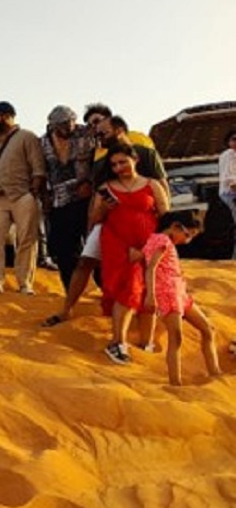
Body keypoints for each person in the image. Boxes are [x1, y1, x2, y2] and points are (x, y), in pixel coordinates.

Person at [43, 106, 169, 327]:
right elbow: (97, 196)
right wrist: (93, 223)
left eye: (103, 132)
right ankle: (67, 309)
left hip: (144, 223)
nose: (98, 136)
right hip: (110, 223)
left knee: (149, 268)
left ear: (118, 129)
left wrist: (164, 230)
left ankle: (153, 313)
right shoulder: (101, 161)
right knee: (85, 262)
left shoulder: (145, 152)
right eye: (96, 132)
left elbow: (162, 189)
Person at [92, 141, 169, 364]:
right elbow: (95, 218)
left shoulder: (152, 184)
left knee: (149, 291)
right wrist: (104, 207)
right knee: (130, 288)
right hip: (118, 245)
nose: (119, 168)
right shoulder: (106, 187)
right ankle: (118, 342)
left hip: (148, 245)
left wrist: (150, 247)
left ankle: (146, 343)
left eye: (123, 162)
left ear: (135, 160)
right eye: (114, 164)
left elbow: (166, 216)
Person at [142, 211, 222, 385]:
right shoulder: (162, 240)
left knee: (208, 329)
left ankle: (215, 372)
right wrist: (150, 295)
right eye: (188, 235)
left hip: (180, 293)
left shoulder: (162, 241)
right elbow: (151, 268)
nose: (188, 241)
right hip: (168, 294)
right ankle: (175, 382)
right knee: (176, 337)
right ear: (176, 226)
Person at [0, 101, 46, 295]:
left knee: (27, 239)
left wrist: (33, 193)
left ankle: (25, 283)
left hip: (23, 194)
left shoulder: (27, 137)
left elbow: (38, 168)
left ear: (8, 116)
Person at [40, 106, 95, 290]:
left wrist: (90, 183)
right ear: (53, 126)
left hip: (86, 198)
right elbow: (42, 171)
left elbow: (98, 160)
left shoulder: (87, 134)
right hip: (59, 201)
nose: (68, 127)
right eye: (63, 125)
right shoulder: (43, 142)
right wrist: (45, 197)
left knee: (95, 245)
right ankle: (71, 291)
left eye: (71, 122)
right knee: (64, 251)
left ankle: (103, 288)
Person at [217, 128, 236, 259]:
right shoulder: (227, 156)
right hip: (230, 194)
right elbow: (229, 180)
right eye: (234, 139)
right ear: (228, 142)